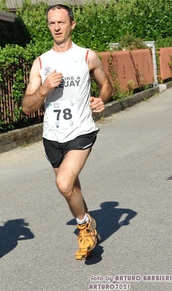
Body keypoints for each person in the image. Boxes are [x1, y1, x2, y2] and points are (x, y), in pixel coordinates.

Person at [22, 4, 113, 260]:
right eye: (52, 23)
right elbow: (27, 107)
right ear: (48, 26)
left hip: (81, 130)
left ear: (72, 24)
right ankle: (87, 226)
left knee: (63, 183)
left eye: (61, 22)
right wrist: (44, 89)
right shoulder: (41, 63)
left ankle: (84, 227)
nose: (57, 27)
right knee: (71, 187)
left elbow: (106, 84)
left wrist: (100, 99)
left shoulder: (86, 56)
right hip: (52, 135)